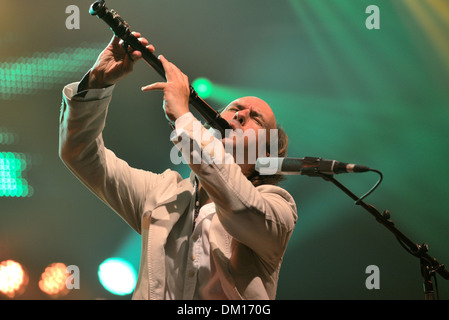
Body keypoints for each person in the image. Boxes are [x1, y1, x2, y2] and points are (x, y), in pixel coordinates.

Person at [59, 33, 297, 300]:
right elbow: (82, 155)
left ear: (265, 153)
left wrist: (184, 118)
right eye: (234, 108)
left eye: (256, 118)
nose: (240, 115)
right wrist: (96, 83)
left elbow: (240, 206)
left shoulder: (279, 207)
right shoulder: (161, 191)